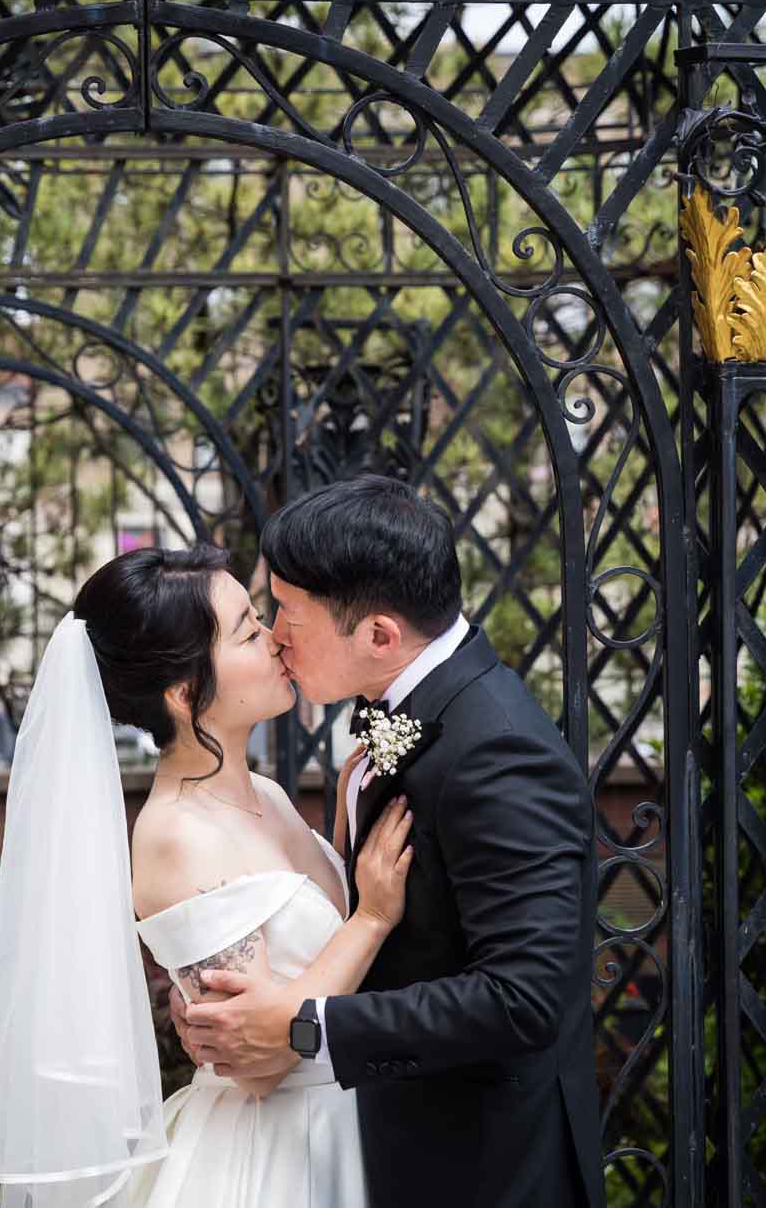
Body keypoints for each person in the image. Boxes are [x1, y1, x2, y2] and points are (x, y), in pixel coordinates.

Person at [171, 475, 604, 1208]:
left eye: (290, 613)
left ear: (379, 635)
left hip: (478, 1168)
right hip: (384, 1143)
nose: (275, 634)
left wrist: (304, 1025)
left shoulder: (497, 750)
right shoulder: (408, 709)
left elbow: (525, 996)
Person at [0, 543, 415, 1208]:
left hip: (347, 1121)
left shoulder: (263, 793)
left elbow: (295, 982)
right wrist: (372, 918)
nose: (275, 641)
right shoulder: (176, 836)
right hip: (277, 1151)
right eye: (247, 631)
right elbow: (263, 1065)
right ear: (185, 694)